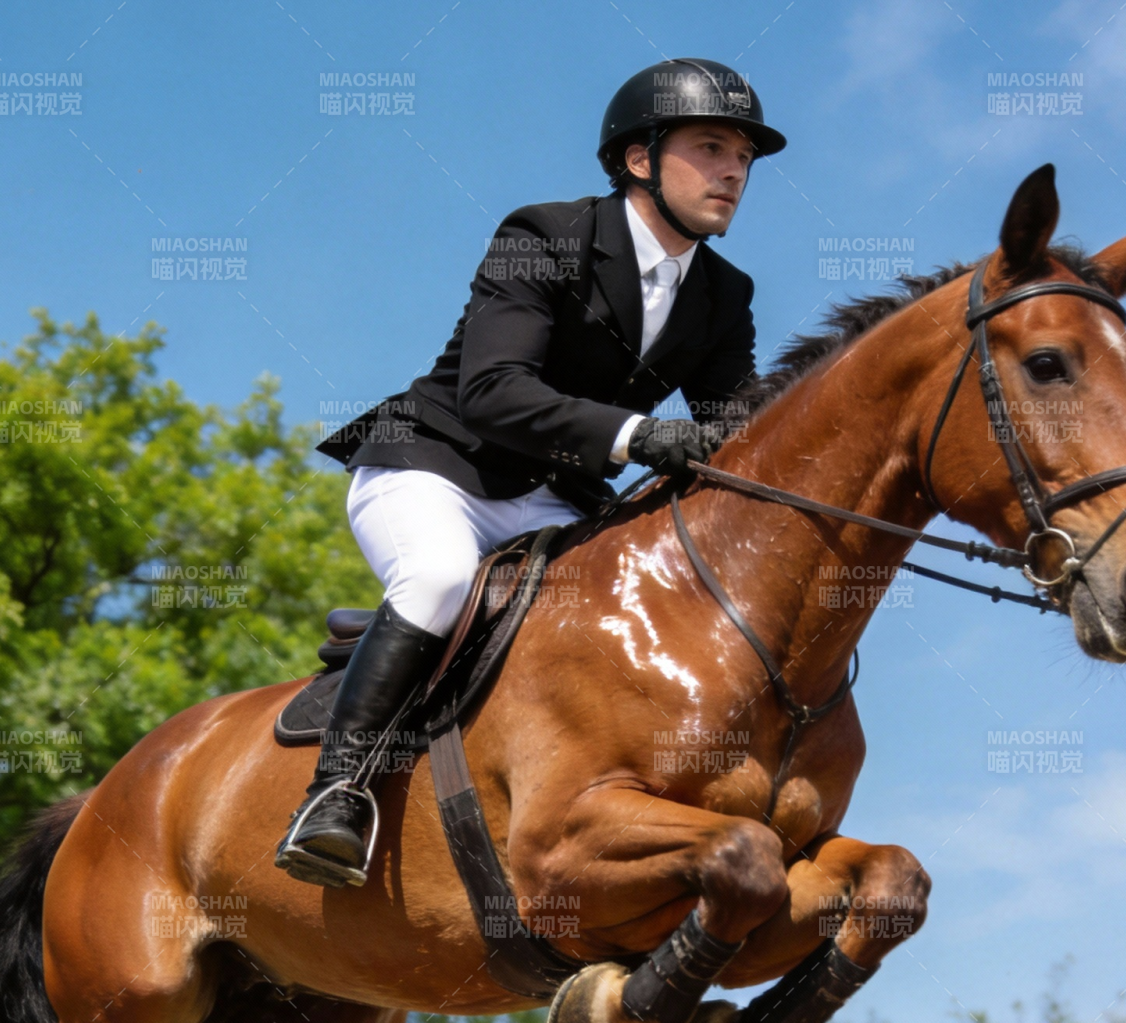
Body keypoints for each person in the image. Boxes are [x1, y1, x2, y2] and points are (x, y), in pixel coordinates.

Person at [275, 58, 786, 888]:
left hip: (554, 502)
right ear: (640, 158)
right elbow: (493, 391)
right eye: (712, 146)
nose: (735, 170)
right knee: (441, 579)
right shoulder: (546, 236)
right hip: (435, 467)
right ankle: (336, 793)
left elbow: (731, 424)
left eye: (745, 158)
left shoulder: (725, 293)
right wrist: (641, 436)